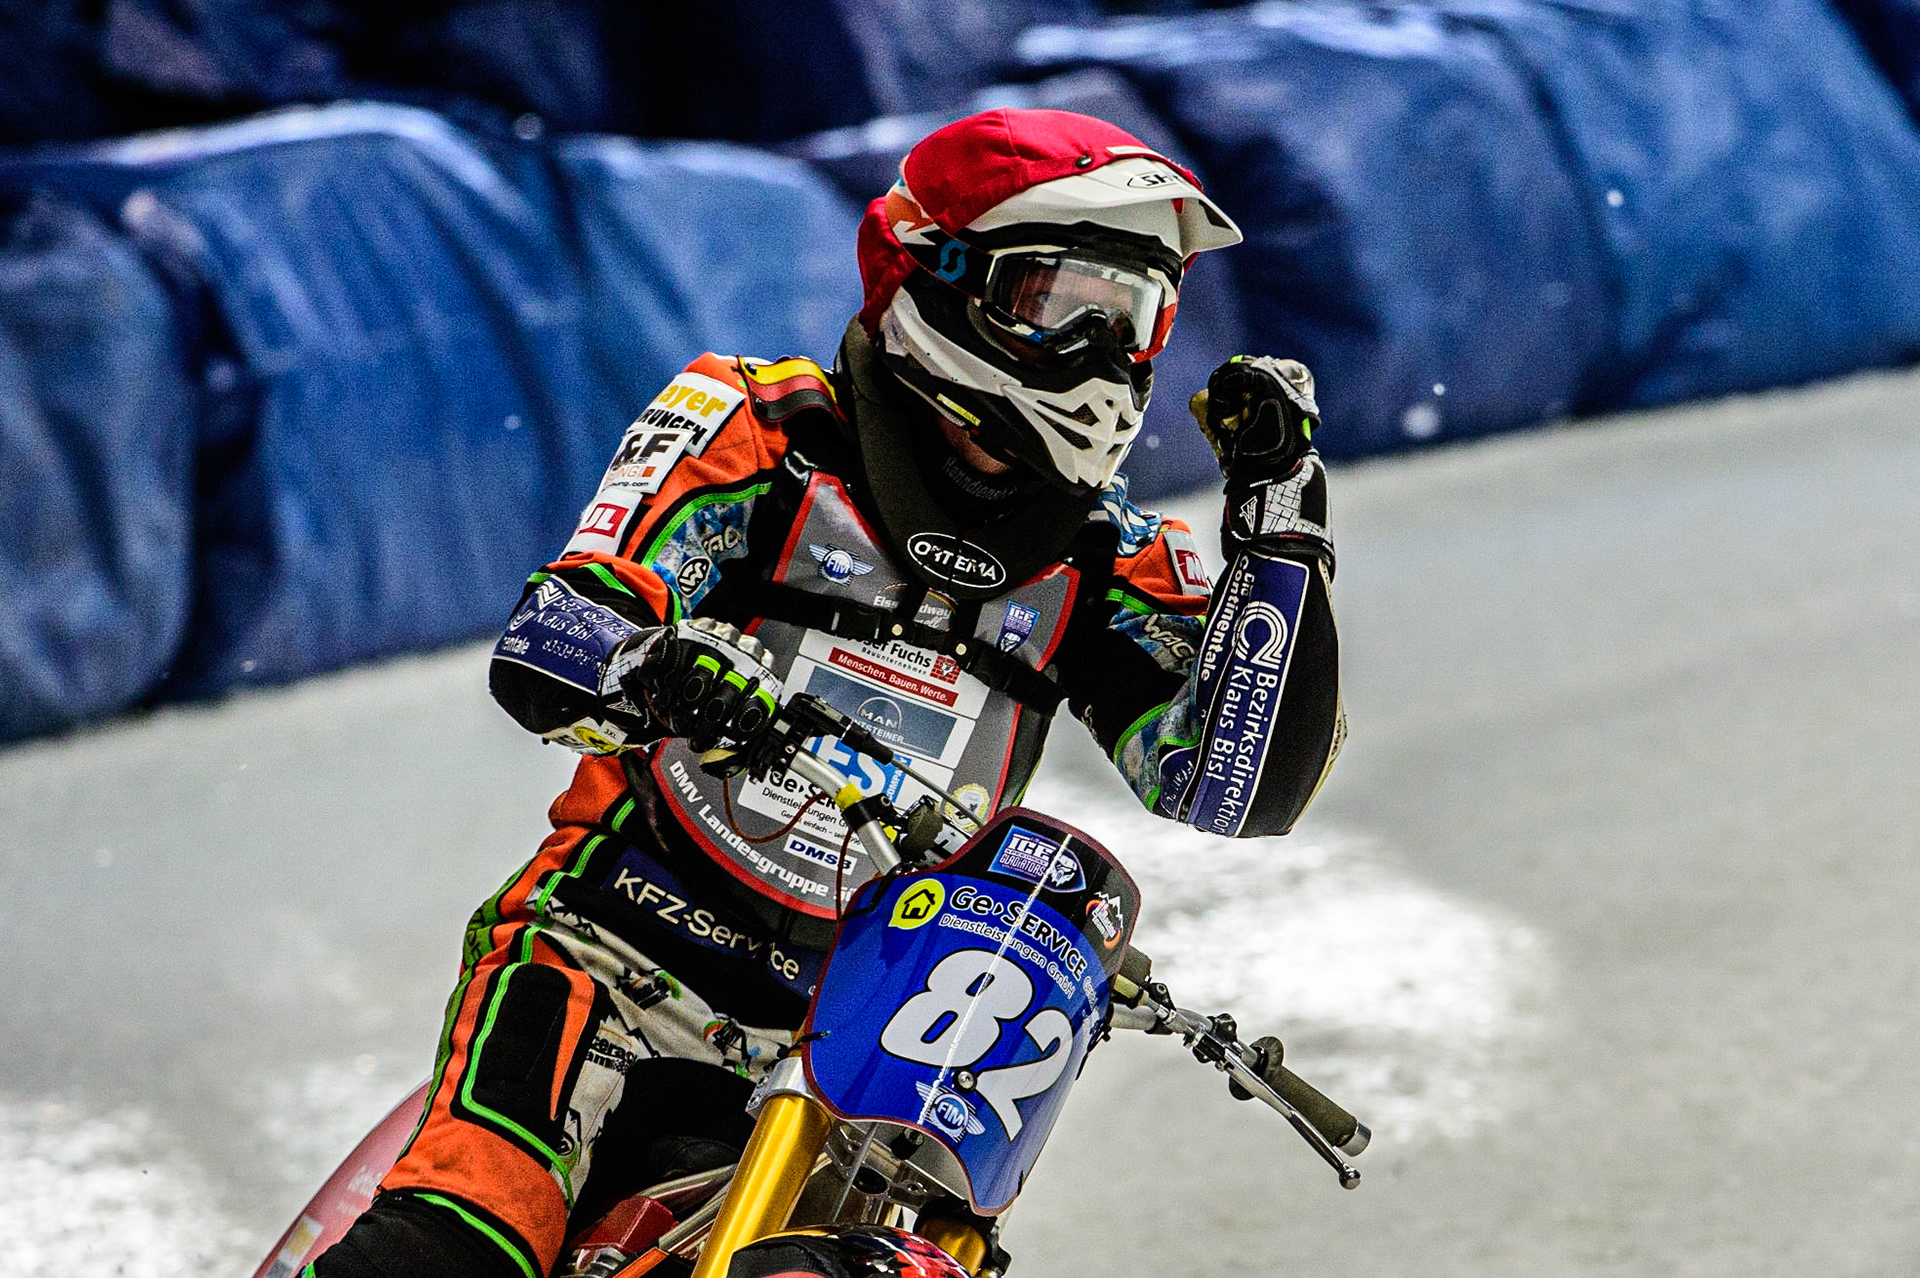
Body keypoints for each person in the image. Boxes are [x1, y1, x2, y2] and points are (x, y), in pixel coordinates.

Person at [313, 107, 1344, 1278]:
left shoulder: (1107, 559)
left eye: (1134, 319)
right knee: (447, 1253)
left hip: (861, 1049)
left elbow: (1233, 786)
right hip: (609, 959)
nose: (1101, 358)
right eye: (1061, 303)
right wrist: (656, 665)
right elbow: (554, 634)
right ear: (941, 275)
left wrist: (1282, 525)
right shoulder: (755, 429)